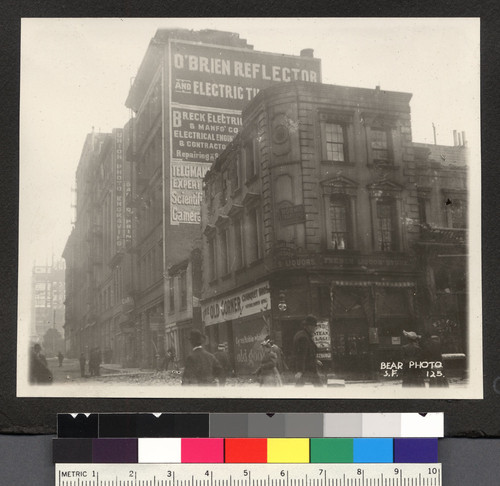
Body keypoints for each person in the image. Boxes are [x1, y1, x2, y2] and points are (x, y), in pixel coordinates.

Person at [293, 315, 323, 386]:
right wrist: (300, 371)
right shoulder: (304, 338)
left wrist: (315, 360)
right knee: (320, 387)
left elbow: (308, 352)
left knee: (299, 387)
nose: (315, 328)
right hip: (308, 369)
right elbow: (301, 355)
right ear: (309, 326)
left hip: (307, 368)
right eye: (314, 326)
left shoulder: (303, 335)